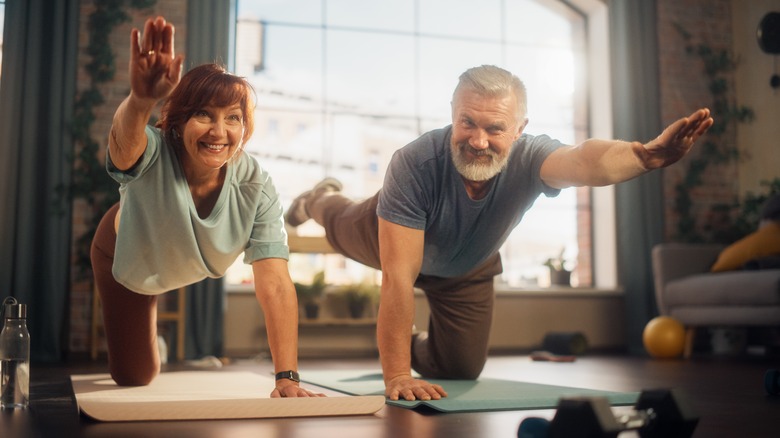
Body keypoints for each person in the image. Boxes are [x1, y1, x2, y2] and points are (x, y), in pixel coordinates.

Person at [285, 65, 713, 401]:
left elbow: (584, 161)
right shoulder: (413, 165)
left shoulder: (532, 158)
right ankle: (316, 199)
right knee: (338, 221)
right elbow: (398, 280)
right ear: (452, 115)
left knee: (461, 368)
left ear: (520, 129)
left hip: (468, 266)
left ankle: (407, 340)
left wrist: (643, 155)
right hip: (391, 238)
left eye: (495, 129)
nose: (478, 140)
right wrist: (396, 374)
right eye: (467, 123)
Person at [90, 16, 322, 398]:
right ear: (178, 123)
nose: (219, 132)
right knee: (135, 377)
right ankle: (150, 343)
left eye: (233, 118)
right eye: (204, 114)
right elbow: (122, 147)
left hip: (176, 258)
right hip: (126, 251)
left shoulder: (255, 185)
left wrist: (287, 377)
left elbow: (275, 284)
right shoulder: (154, 147)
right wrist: (141, 100)